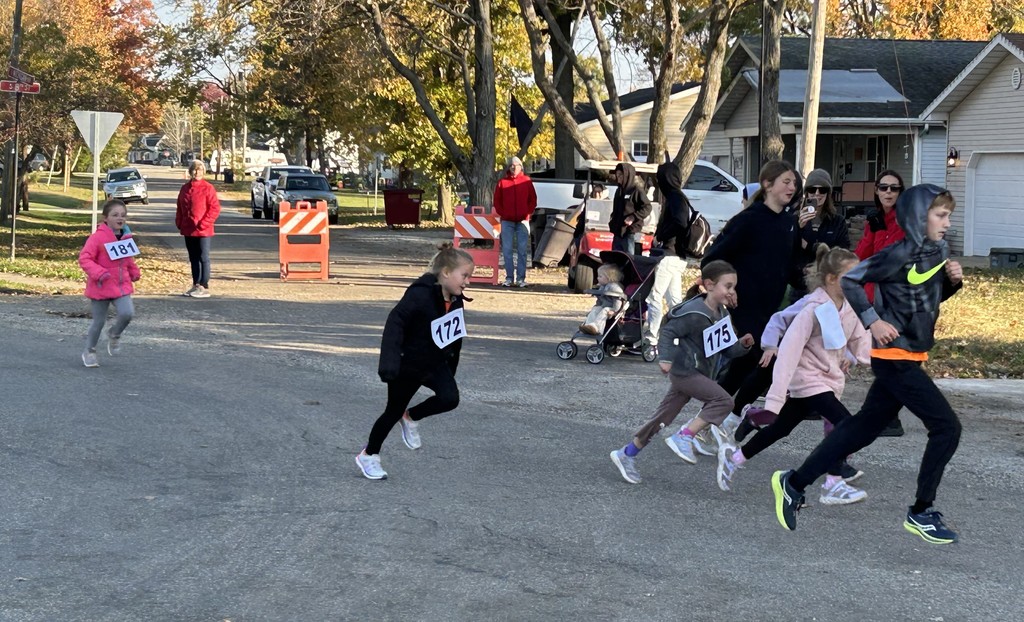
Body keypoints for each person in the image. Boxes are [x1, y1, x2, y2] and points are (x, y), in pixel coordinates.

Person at [771, 185, 964, 544]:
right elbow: (853, 280)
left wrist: (953, 282)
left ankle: (793, 483)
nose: (947, 223)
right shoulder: (898, 252)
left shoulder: (936, 250)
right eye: (941, 215)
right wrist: (872, 321)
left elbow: (927, 299)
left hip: (911, 354)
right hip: (894, 358)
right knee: (947, 428)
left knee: (861, 429)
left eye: (948, 216)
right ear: (918, 217)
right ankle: (921, 512)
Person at [716, 246, 871, 505]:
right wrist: (775, 397)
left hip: (829, 380)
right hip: (808, 378)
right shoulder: (812, 309)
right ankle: (833, 483)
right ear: (832, 279)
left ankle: (735, 458)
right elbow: (788, 352)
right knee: (845, 424)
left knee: (781, 428)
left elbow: (861, 342)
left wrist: (882, 357)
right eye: (852, 275)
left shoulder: (850, 307)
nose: (859, 280)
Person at [610, 260, 753, 484]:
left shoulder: (722, 314)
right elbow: (668, 332)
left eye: (734, 287)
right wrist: (665, 358)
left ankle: (627, 453)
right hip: (685, 372)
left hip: (698, 373)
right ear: (709, 285)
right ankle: (684, 436)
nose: (732, 291)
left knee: (662, 418)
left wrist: (743, 345)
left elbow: (727, 349)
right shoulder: (694, 313)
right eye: (728, 286)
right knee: (723, 401)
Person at [699, 161, 804, 442]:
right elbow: (713, 258)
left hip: (772, 309)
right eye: (786, 181)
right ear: (767, 184)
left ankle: (717, 422)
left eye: (794, 183)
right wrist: (726, 288)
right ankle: (712, 424)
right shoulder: (748, 219)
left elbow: (792, 267)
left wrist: (817, 285)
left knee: (755, 366)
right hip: (743, 305)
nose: (792, 187)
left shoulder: (789, 223)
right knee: (757, 362)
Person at [356, 243, 476, 480]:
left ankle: (411, 416)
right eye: (464, 276)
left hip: (434, 363)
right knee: (392, 412)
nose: (468, 282)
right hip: (408, 363)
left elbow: (455, 338)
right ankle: (368, 455)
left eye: (469, 277)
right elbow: (395, 323)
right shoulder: (419, 295)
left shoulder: (456, 300)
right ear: (446, 273)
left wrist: (450, 368)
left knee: (450, 398)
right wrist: (389, 364)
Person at [855, 169, 908, 437]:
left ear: (900, 192)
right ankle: (884, 416)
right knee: (884, 358)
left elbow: (891, 259)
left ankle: (888, 418)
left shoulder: (905, 220)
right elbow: (861, 257)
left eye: (894, 188)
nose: (888, 192)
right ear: (876, 190)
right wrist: (873, 230)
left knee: (891, 358)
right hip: (874, 297)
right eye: (883, 187)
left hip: (896, 298)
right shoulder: (874, 220)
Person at [77, 199, 141, 368]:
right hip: (101, 286)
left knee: (127, 313)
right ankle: (89, 351)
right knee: (98, 322)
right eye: (115, 215)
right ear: (105, 218)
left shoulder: (126, 237)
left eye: (123, 215)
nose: (120, 218)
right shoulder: (97, 238)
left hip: (121, 285)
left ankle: (114, 333)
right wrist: (99, 273)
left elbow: (127, 259)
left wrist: (133, 271)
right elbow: (84, 258)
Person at [644, 160, 690, 344]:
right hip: (677, 257)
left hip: (669, 256)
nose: (658, 182)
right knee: (674, 301)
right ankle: (679, 338)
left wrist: (660, 236)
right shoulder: (678, 197)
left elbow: (680, 222)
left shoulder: (675, 198)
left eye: (660, 178)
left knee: (654, 296)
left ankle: (651, 338)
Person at [790, 169, 850, 303]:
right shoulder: (795, 219)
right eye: (812, 190)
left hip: (828, 285)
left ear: (828, 193)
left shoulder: (837, 221)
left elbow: (842, 252)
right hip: (801, 285)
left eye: (822, 190)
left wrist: (810, 246)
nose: (817, 194)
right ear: (806, 192)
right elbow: (789, 251)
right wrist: (798, 229)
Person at [175, 160, 221, 298]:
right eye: (195, 170)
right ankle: (195, 284)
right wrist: (179, 222)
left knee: (203, 257)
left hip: (203, 229)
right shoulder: (185, 188)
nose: (197, 172)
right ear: (190, 171)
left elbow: (215, 208)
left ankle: (203, 285)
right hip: (188, 229)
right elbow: (180, 207)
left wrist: (204, 223)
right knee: (193, 257)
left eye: (200, 170)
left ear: (204, 172)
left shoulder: (208, 188)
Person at [492, 156, 537, 288]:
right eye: (511, 165)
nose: (513, 167)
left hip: (523, 221)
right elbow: (497, 201)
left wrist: (527, 213)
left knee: (522, 251)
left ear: (520, 167)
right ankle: (509, 278)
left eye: (516, 165)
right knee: (507, 250)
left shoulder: (527, 181)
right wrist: (504, 213)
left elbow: (533, 199)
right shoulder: (502, 182)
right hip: (507, 221)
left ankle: (521, 278)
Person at [608, 162, 652, 255]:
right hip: (618, 233)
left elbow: (647, 207)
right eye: (617, 174)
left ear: (627, 175)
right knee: (615, 259)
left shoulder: (637, 191)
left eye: (621, 174)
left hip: (631, 232)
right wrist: (612, 221)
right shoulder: (619, 191)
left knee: (630, 259)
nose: (618, 177)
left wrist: (633, 217)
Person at [579, 263, 627, 335]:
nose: (598, 278)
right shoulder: (603, 286)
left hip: (613, 308)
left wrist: (615, 311)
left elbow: (618, 300)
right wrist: (597, 305)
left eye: (600, 276)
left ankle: (596, 328)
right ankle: (588, 325)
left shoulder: (615, 287)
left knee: (605, 310)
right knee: (596, 309)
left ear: (609, 278)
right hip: (604, 306)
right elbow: (600, 298)